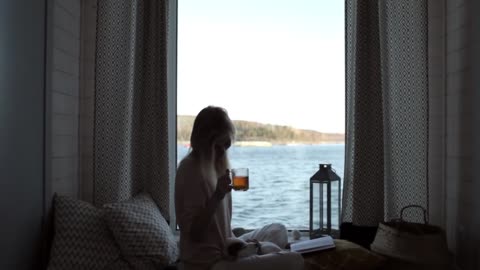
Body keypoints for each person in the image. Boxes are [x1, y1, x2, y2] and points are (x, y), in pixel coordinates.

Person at [175, 106, 304, 270]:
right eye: (217, 147)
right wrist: (217, 196)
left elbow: (221, 230)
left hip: (226, 249)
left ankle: (259, 251)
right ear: (204, 143)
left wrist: (240, 244)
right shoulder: (189, 170)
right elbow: (195, 235)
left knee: (278, 230)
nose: (222, 153)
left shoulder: (214, 166)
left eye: (226, 146)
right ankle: (263, 252)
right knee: (295, 260)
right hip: (209, 264)